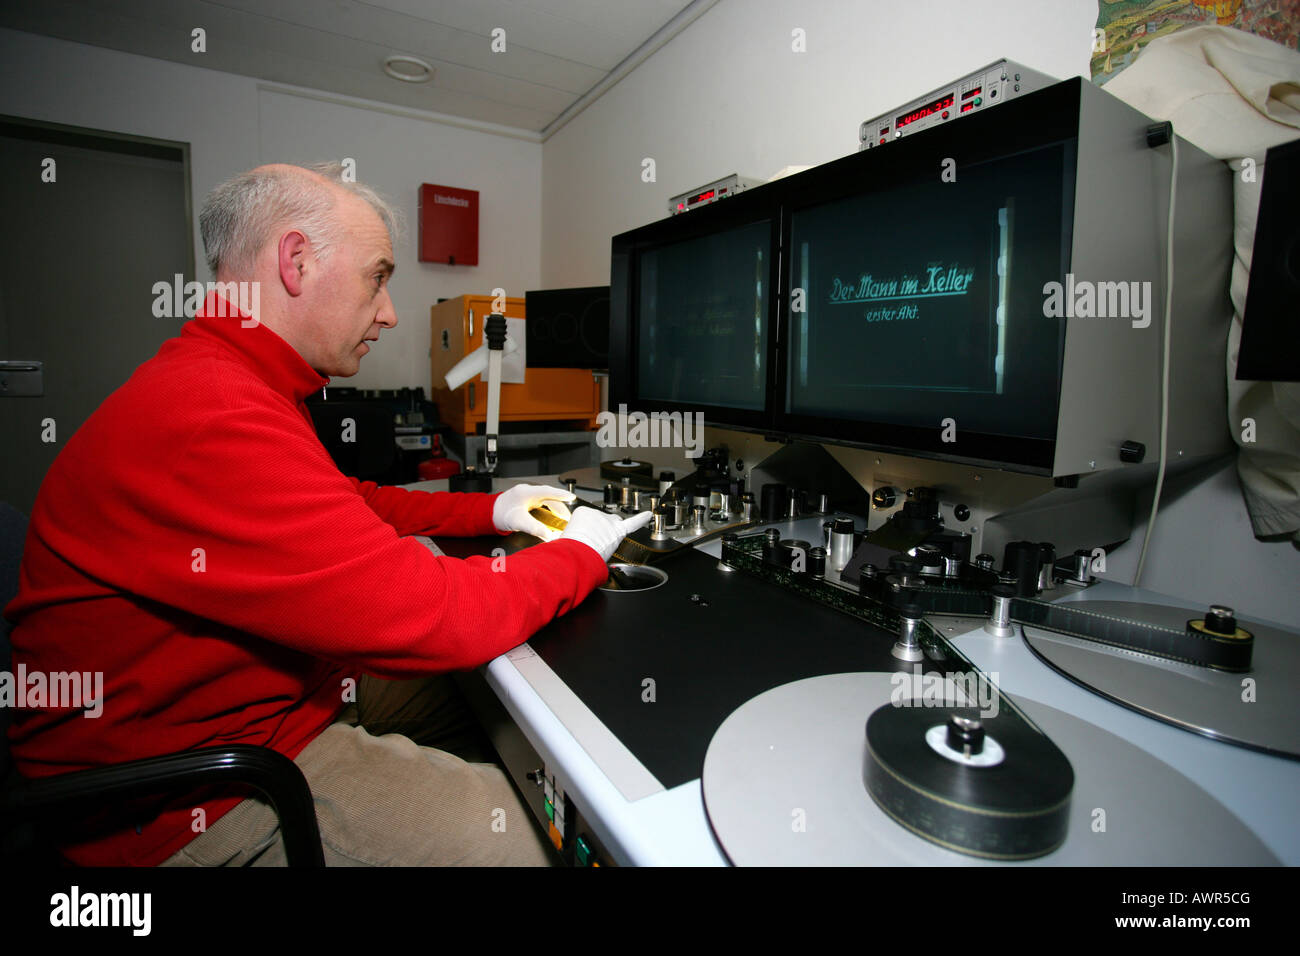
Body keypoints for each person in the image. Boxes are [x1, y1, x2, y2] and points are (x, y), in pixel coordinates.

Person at [5, 162, 648, 866]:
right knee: (545, 839)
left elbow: (347, 499)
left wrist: (493, 509)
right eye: (378, 276)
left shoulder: (237, 380)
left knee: (496, 706)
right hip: (193, 791)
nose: (390, 311)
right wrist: (582, 553)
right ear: (296, 261)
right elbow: (437, 615)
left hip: (270, 700)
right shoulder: (212, 414)